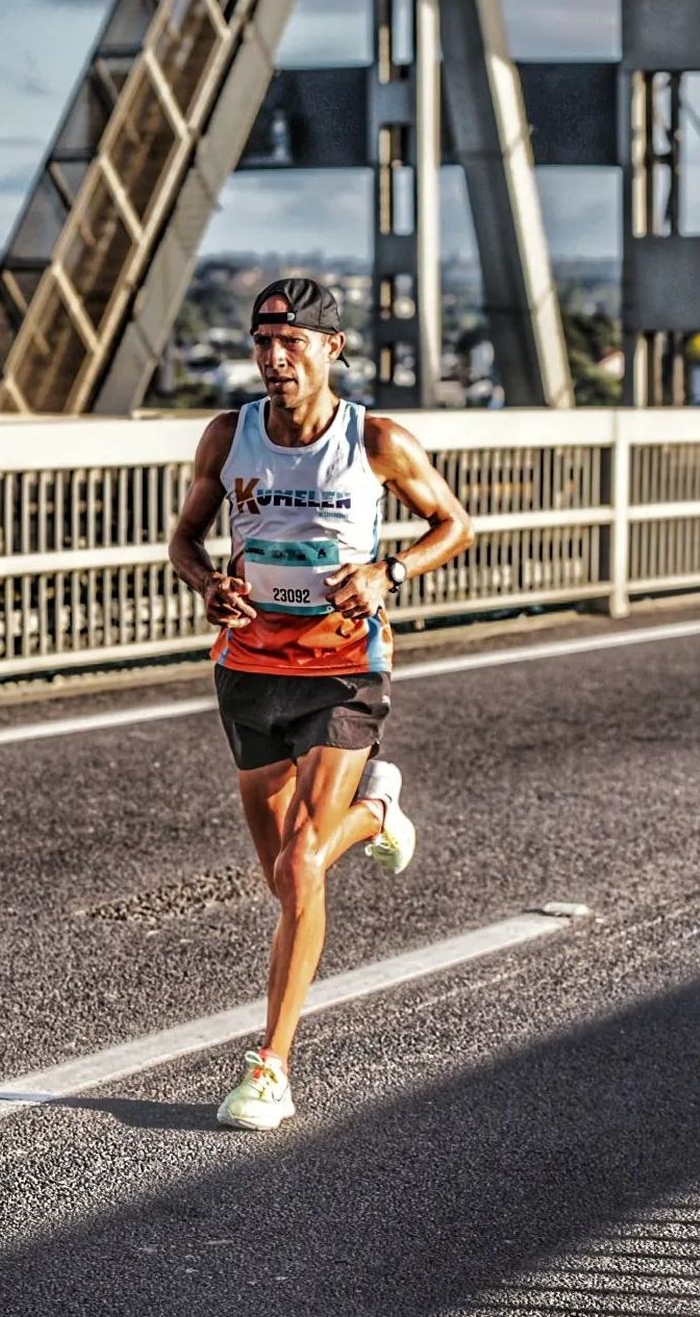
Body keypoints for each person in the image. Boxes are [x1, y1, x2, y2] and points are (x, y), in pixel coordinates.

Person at [168, 276, 475, 1131]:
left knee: (303, 862)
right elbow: (185, 539)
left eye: (292, 343)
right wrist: (207, 582)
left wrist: (391, 571)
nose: (274, 359)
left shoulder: (374, 439)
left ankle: (270, 1067)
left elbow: (453, 523)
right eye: (264, 344)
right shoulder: (231, 435)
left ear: (330, 349)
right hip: (250, 667)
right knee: (281, 875)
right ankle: (379, 809)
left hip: (346, 670)